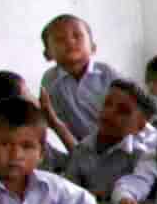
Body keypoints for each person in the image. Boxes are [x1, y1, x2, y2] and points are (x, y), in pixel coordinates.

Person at [64, 81, 157, 204]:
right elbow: (68, 195)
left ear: (140, 126)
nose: (110, 112)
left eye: (123, 111)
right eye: (107, 104)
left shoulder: (140, 157)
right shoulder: (82, 150)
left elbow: (144, 195)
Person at [38, 13, 122, 145]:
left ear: (93, 47)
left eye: (77, 36)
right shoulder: (49, 81)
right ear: (47, 54)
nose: (70, 42)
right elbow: (54, 122)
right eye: (60, 39)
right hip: (85, 149)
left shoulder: (107, 74)